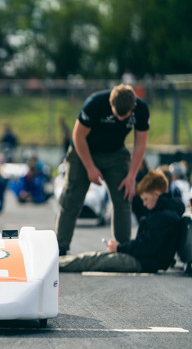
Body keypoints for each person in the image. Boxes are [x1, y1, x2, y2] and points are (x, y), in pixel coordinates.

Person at [55, 84, 149, 256]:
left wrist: (131, 176)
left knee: (124, 196)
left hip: (115, 153)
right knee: (72, 198)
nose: (121, 119)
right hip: (84, 150)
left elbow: (140, 144)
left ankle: (122, 247)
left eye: (125, 115)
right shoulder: (95, 103)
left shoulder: (141, 109)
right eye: (117, 114)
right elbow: (78, 136)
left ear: (133, 107)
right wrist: (90, 168)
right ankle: (60, 246)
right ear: (110, 103)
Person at [59, 169, 184, 273]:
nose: (145, 204)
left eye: (146, 199)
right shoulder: (165, 213)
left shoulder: (165, 217)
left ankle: (57, 265)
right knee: (95, 258)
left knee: (94, 260)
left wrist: (119, 248)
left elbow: (146, 247)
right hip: (142, 260)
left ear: (156, 194)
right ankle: (59, 263)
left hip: (142, 262)